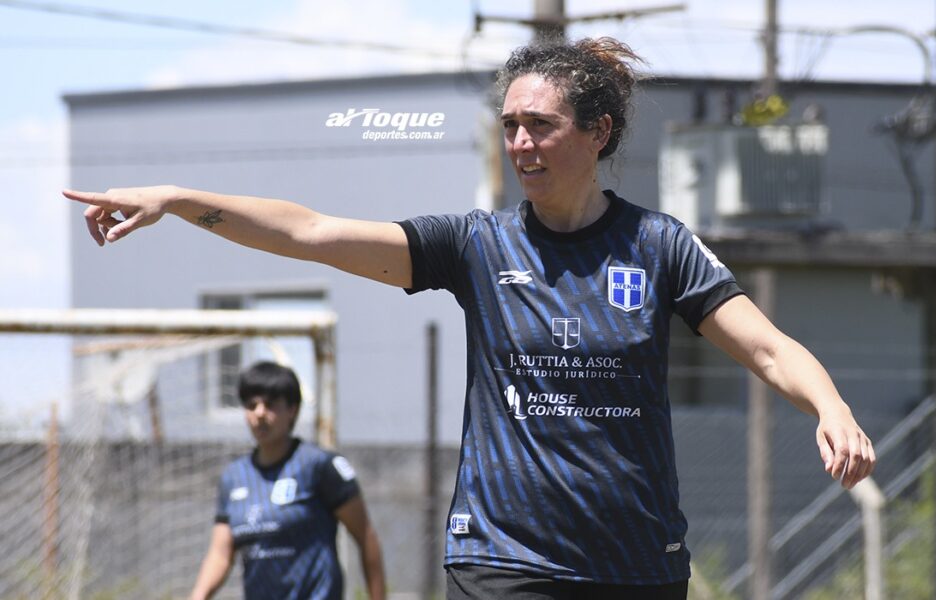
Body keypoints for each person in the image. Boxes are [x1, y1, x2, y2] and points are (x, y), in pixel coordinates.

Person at [67, 37, 875, 600]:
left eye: (542, 126)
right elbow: (311, 231)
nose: (521, 143)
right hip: (501, 558)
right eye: (511, 126)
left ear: (597, 134)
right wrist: (176, 200)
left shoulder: (657, 246)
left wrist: (831, 406)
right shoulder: (474, 247)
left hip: (637, 561)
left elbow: (768, 349)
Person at [188, 361, 385, 600]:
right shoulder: (234, 476)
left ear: (292, 409)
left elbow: (365, 537)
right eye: (252, 405)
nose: (260, 414)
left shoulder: (318, 465)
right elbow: (220, 554)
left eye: (270, 405)